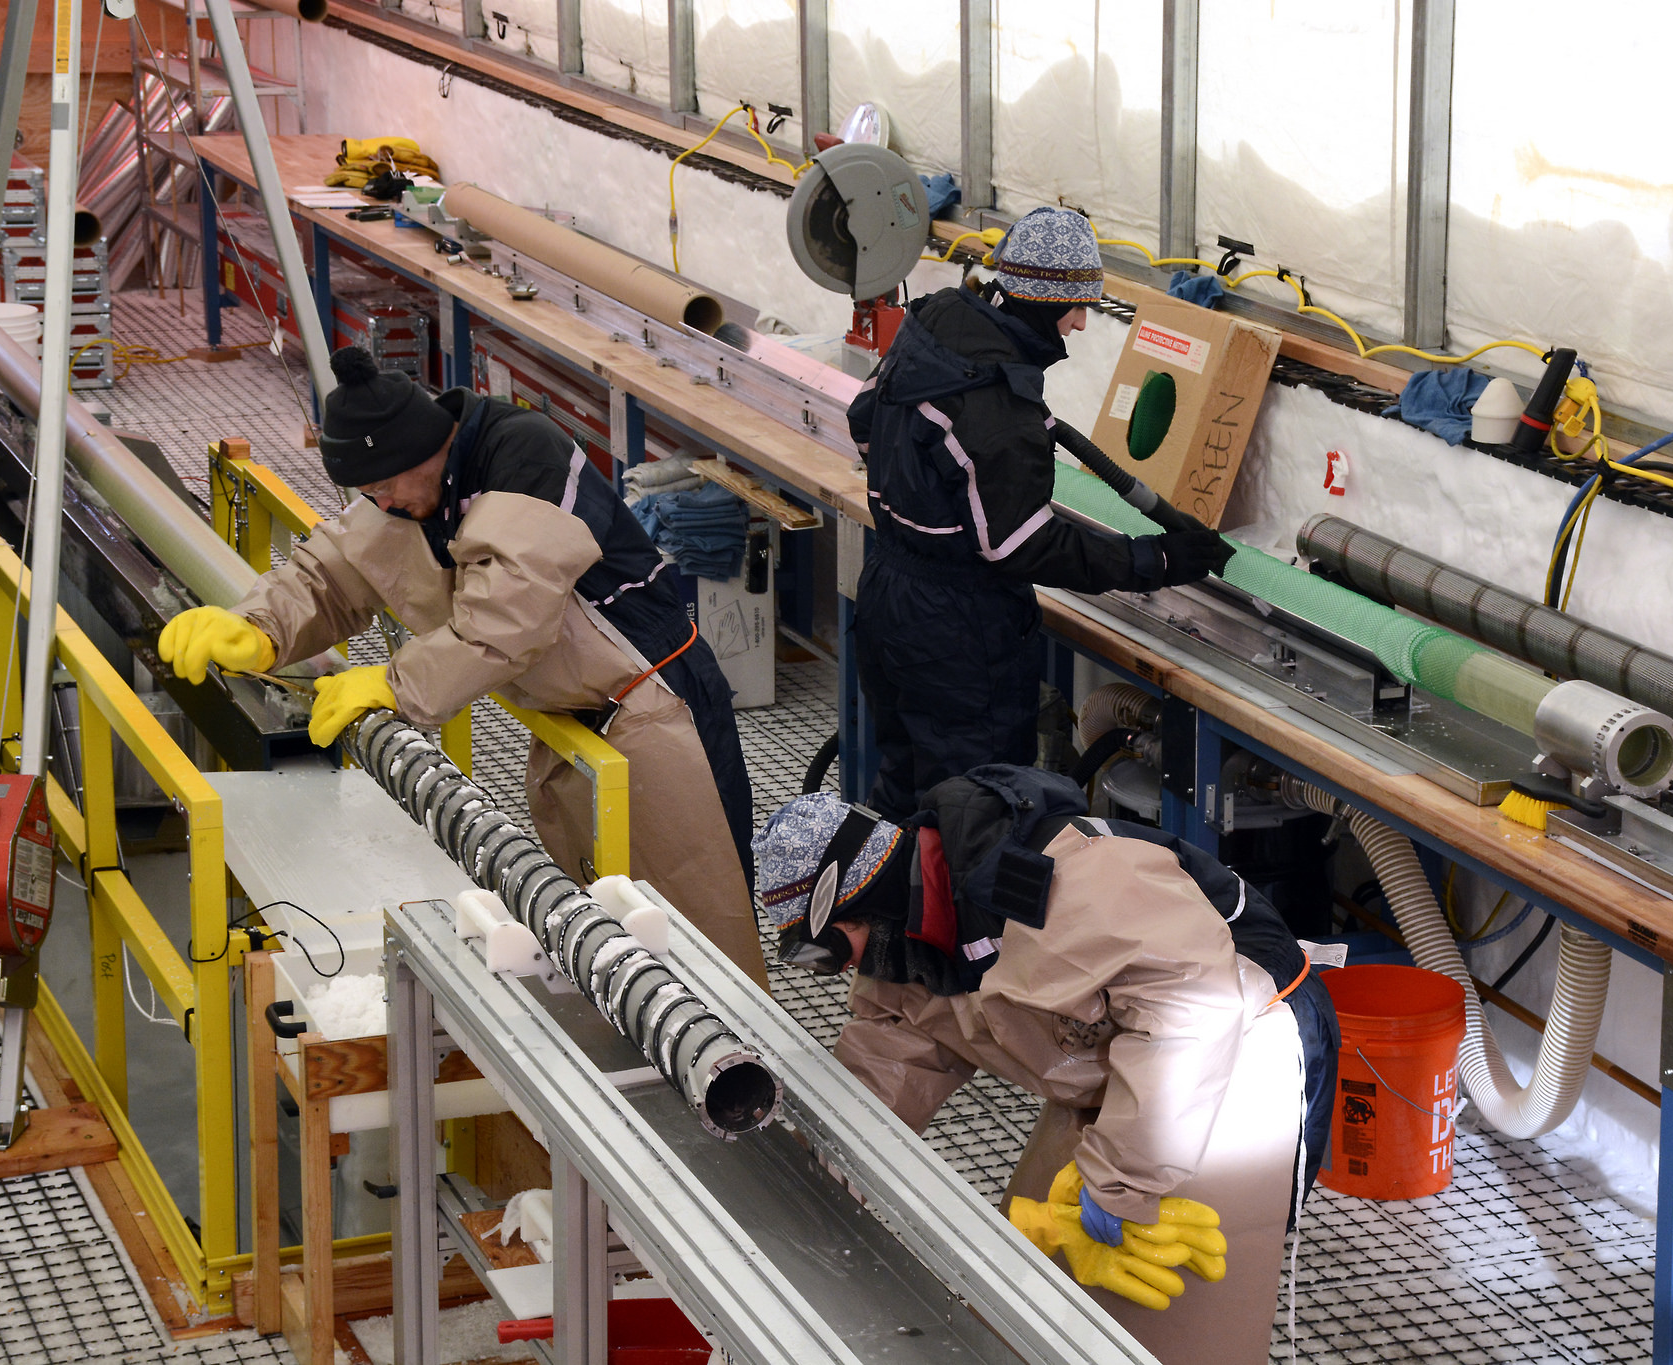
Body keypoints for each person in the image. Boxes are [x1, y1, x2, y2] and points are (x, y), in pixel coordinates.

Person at [160, 346, 767, 986]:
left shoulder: (524, 455)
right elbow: (338, 570)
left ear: (422, 451)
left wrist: (394, 683)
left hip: (657, 714)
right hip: (577, 725)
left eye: (384, 487)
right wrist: (259, 628)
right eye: (368, 493)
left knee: (697, 931)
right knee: (606, 931)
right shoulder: (416, 483)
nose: (383, 504)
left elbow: (508, 619)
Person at [752, 764, 1338, 1362]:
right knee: (1034, 1290)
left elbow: (1192, 1011)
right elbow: (893, 1044)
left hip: (1238, 1044)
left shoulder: (1068, 886)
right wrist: (823, 1170)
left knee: (1175, 1321)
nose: (839, 970)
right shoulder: (909, 929)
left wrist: (1123, 1179)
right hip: (1124, 1056)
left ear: (853, 903)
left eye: (823, 952)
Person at [847, 206, 1236, 818]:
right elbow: (1021, 546)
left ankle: (889, 908)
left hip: (888, 592)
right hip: (957, 630)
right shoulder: (999, 410)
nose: (1080, 324)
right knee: (976, 812)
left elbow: (864, 418)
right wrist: (1155, 557)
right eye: (1076, 307)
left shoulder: (937, 320)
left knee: (904, 783)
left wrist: (920, 497)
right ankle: (949, 915)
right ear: (1041, 301)